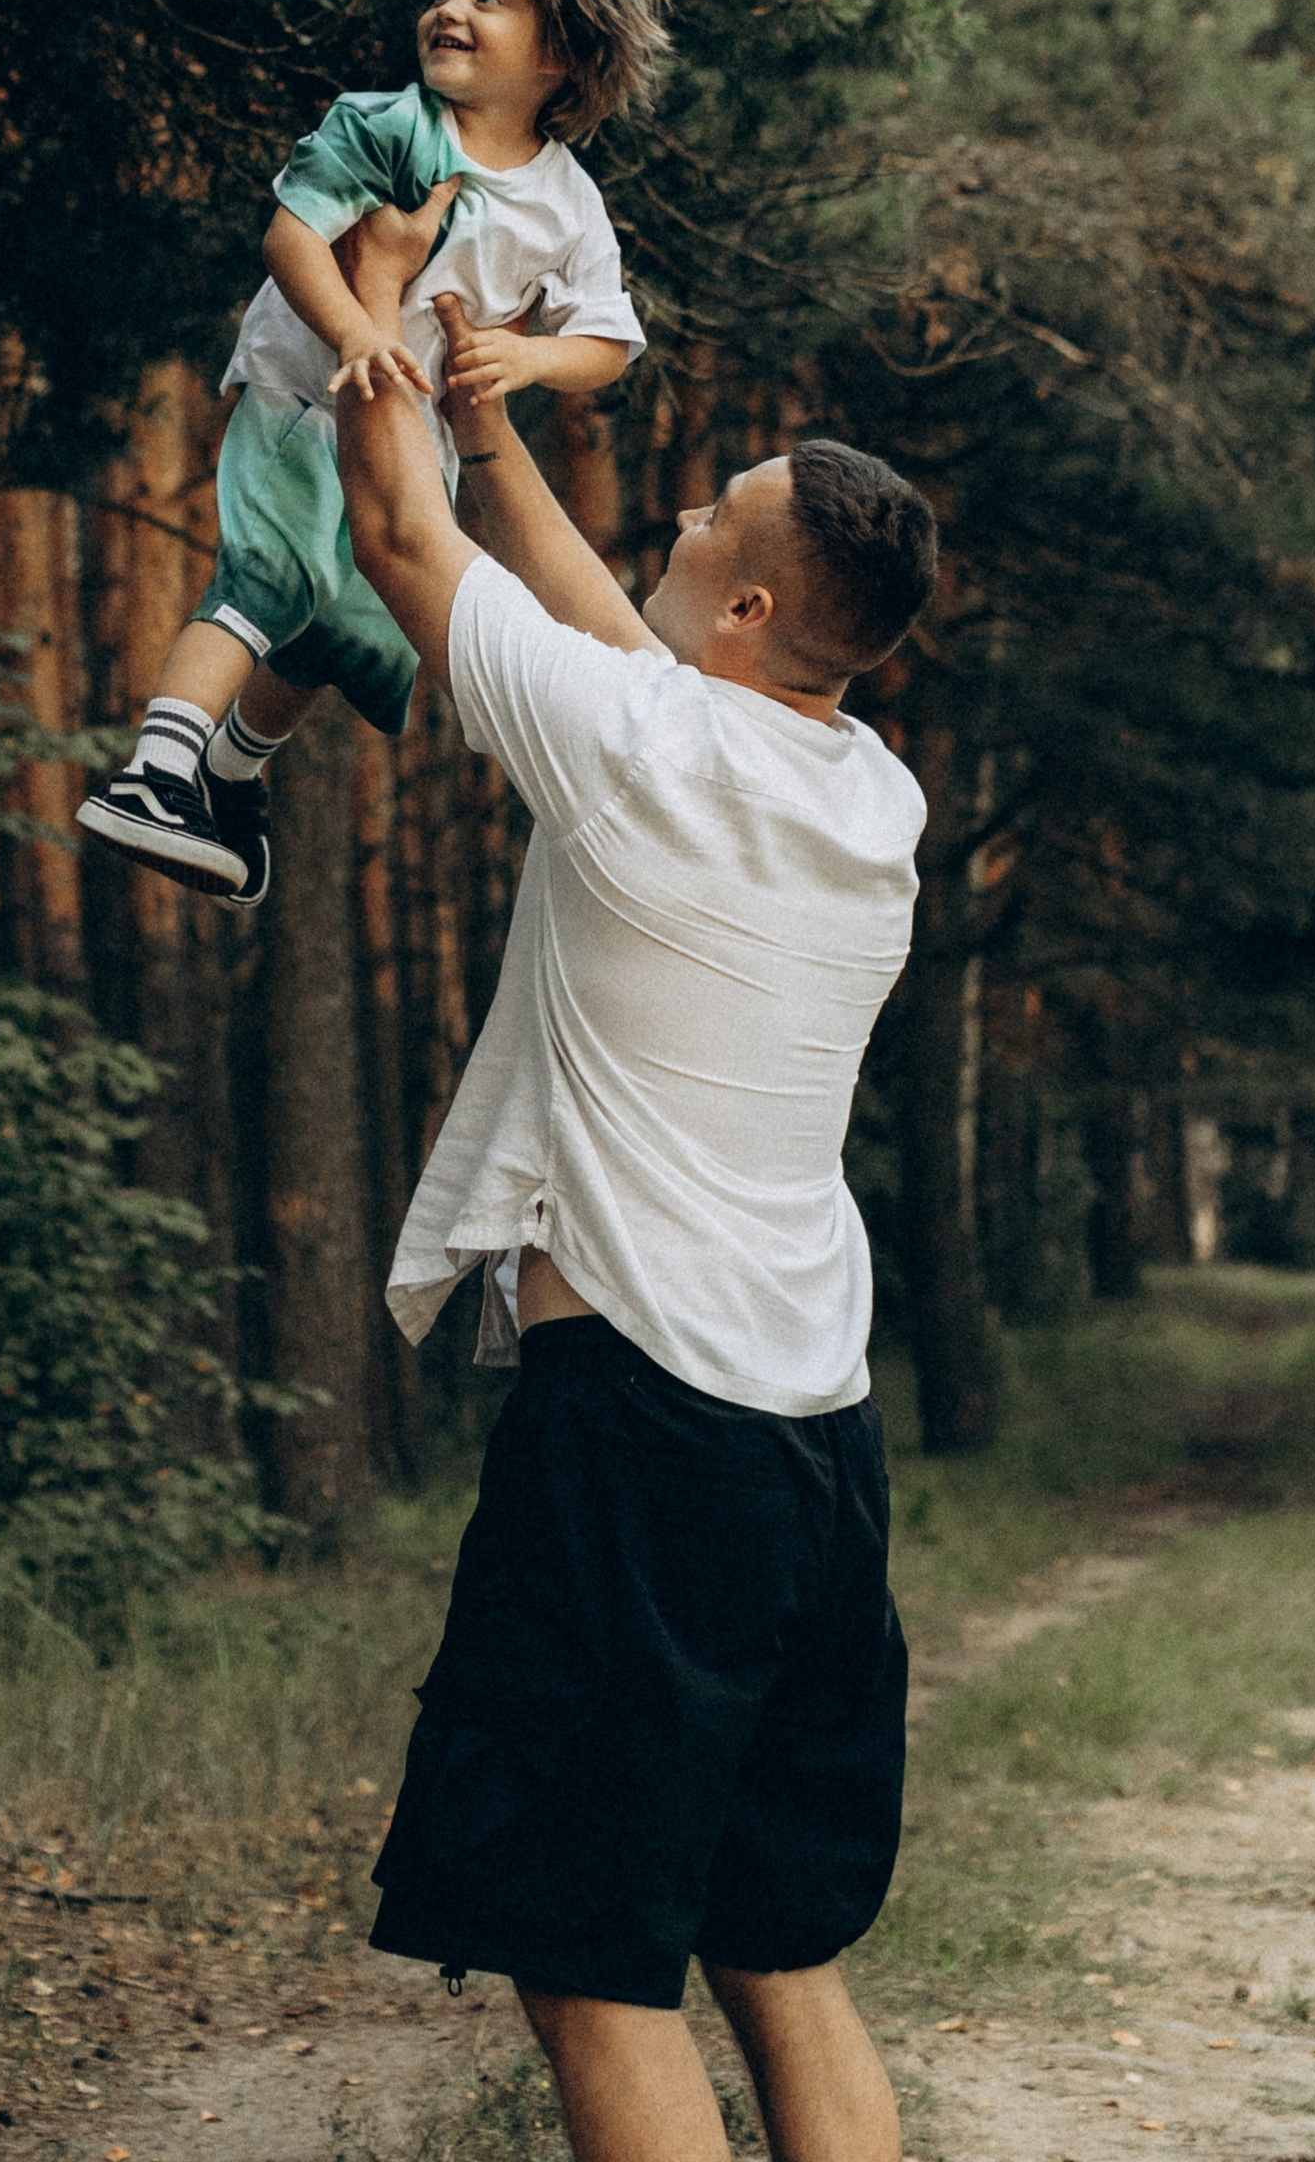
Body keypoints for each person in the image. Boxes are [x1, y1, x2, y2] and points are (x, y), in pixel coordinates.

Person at [328, 193, 939, 2162]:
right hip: (807, 1455)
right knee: (775, 1945)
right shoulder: (862, 795)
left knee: (591, 1958)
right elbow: (629, 657)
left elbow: (396, 545)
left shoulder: (643, 758)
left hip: (638, 1445)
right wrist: (493, 418)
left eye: (711, 517)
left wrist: (370, 334)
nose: (676, 522)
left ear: (753, 607)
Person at [76, 0, 665, 904]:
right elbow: (291, 235)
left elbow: (608, 341)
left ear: (561, 51)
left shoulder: (568, 199)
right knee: (271, 575)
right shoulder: (389, 127)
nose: (449, 10)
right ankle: (158, 773)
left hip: (412, 430)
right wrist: (355, 326)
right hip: (310, 387)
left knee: (348, 629)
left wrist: (528, 363)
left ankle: (229, 777)